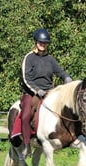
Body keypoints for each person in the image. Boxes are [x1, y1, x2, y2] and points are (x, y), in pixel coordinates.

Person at [20, 28, 72, 157]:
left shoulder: (50, 59)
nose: (42, 45)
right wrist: (37, 90)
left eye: (45, 43)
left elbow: (59, 71)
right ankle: (26, 145)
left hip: (49, 91)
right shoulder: (29, 58)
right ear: (36, 42)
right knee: (26, 115)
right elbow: (26, 78)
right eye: (40, 42)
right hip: (32, 93)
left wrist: (67, 77)